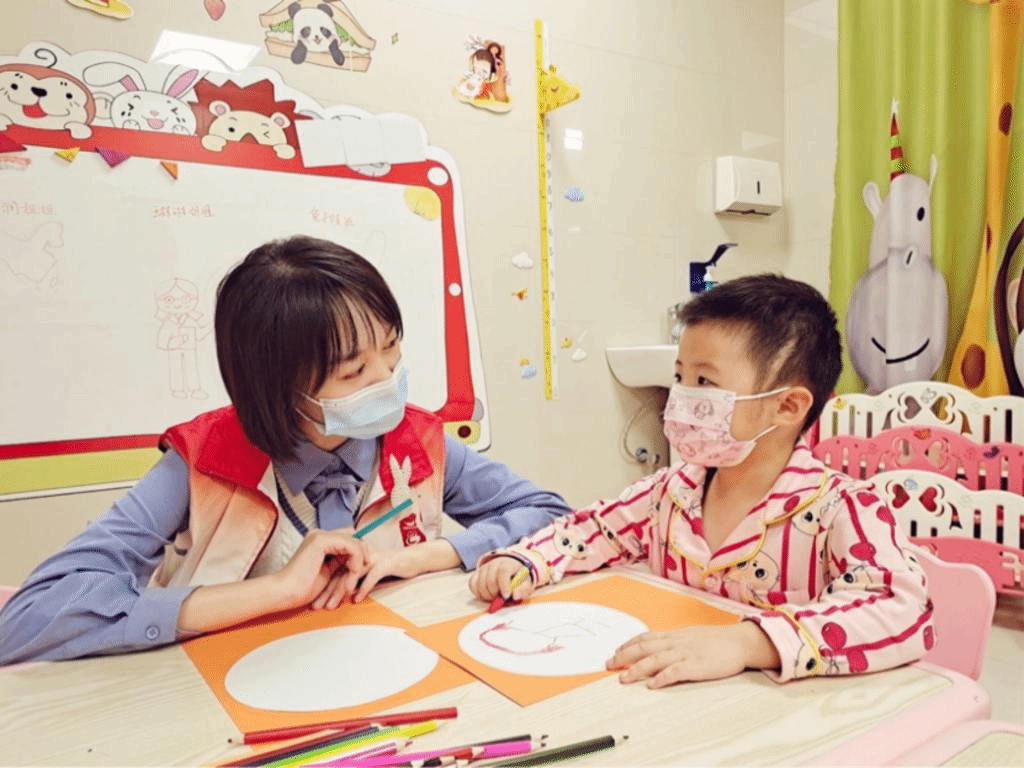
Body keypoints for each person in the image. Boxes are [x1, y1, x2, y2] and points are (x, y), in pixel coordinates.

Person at [0, 235, 571, 664]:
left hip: (388, 671)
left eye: (391, 349)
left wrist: (423, 557)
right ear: (278, 388)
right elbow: (29, 618)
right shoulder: (202, 462)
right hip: (221, 695)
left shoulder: (416, 441)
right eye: (354, 372)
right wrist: (274, 591)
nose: (386, 380)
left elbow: (551, 514)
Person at [470, 274, 932, 686]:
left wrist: (749, 643)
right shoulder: (668, 492)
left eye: (704, 383)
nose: (681, 397)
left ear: (788, 406)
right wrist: (525, 559)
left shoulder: (844, 509)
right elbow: (591, 530)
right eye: (680, 377)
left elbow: (903, 610)